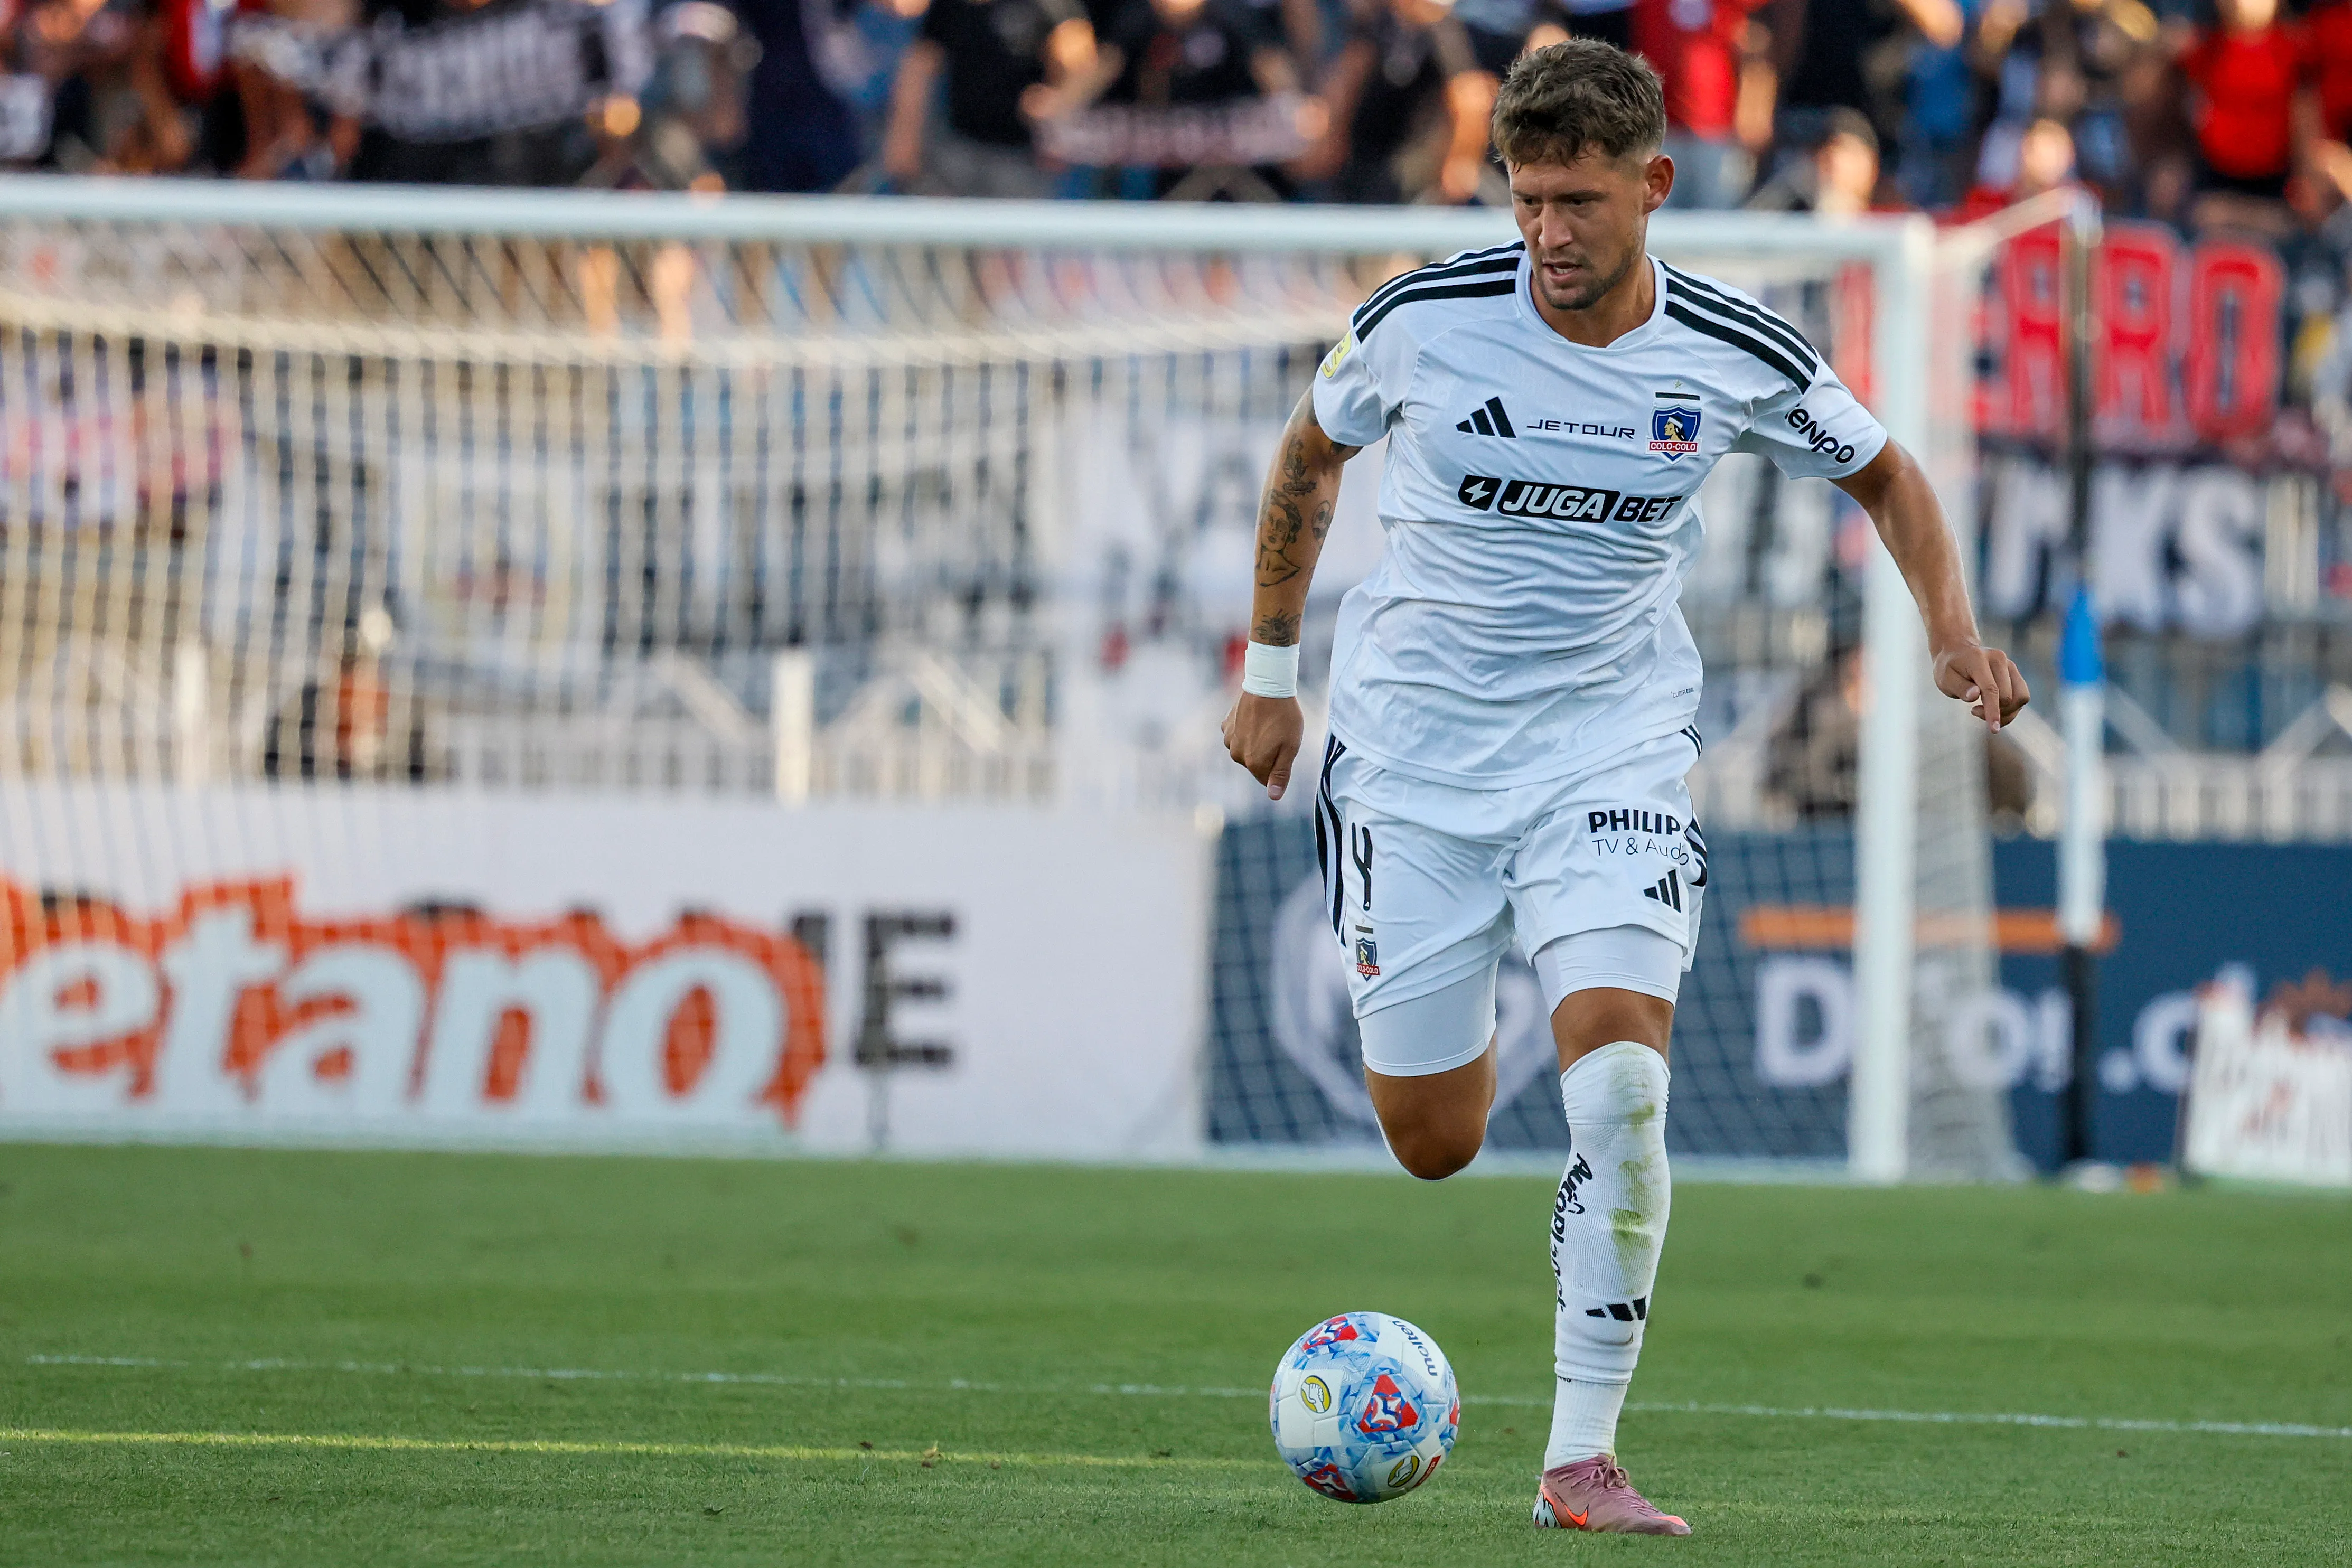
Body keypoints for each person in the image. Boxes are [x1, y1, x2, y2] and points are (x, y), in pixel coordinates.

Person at [1220, 37, 2026, 1534]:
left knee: (1625, 1089)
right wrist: (1269, 679)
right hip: (1412, 764)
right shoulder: (1424, 322)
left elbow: (1889, 479)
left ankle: (1577, 1460)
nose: (1546, 235)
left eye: (1577, 201)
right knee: (1433, 1140)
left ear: (1652, 186)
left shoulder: (1729, 353)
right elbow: (1302, 468)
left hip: (1610, 750)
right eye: (1525, 200)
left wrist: (1952, 637)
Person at [880, 0, 1095, 196]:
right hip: (956, 147)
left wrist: (1055, 102)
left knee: (1013, 236)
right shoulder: (951, 7)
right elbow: (921, 65)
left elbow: (1080, 62)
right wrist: (904, 138)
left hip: (1021, 158)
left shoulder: (1049, 5)